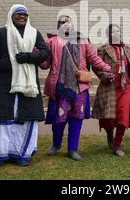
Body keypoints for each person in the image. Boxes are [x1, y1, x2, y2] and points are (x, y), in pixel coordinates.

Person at [0, 4, 49, 166]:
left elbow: (45, 53)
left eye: (25, 14)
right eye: (19, 14)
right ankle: (0, 154)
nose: (22, 17)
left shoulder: (34, 33)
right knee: (4, 118)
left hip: (29, 84)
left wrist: (29, 57)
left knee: (26, 119)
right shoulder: (1, 33)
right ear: (11, 15)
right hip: (6, 82)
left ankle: (22, 154)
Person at [40, 15, 111, 161]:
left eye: (68, 21)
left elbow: (93, 58)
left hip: (79, 87)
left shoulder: (83, 40)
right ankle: (56, 143)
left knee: (76, 119)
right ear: (58, 25)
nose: (65, 24)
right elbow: (45, 64)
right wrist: (36, 54)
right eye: (62, 22)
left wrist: (107, 68)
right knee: (58, 119)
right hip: (60, 87)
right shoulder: (52, 42)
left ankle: (73, 149)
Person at [92, 24, 130, 157]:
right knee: (109, 118)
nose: (116, 33)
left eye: (118, 30)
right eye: (113, 31)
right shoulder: (102, 50)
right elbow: (96, 67)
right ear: (109, 34)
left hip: (125, 87)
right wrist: (105, 76)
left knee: (123, 117)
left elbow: (129, 67)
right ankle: (109, 134)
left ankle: (117, 145)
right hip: (109, 87)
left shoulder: (127, 49)